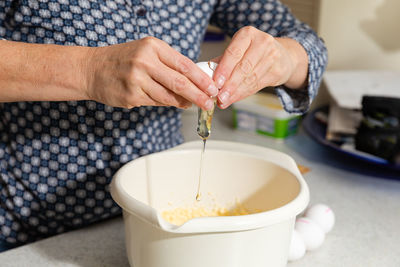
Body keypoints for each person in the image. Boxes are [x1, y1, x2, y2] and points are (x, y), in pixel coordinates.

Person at [0, 0, 327, 251]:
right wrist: (87, 71)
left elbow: (307, 45)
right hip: (32, 230)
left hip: (164, 220)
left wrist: (283, 58)